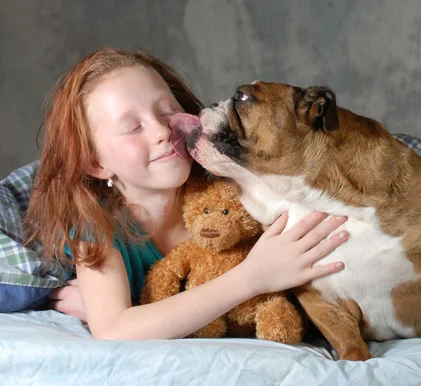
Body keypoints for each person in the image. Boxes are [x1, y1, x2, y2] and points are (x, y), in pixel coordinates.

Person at [25, 47, 348, 340]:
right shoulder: (97, 226)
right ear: (96, 163)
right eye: (133, 127)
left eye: (167, 111)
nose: (162, 130)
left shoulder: (232, 191)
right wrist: (253, 277)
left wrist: (135, 306)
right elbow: (114, 329)